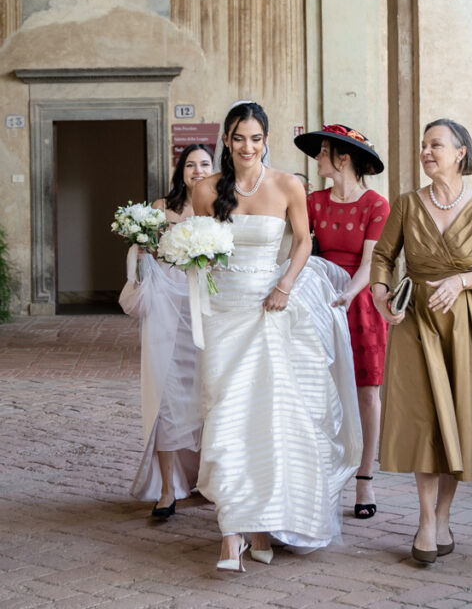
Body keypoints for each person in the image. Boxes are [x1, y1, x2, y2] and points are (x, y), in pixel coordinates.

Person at [192, 101, 362, 572]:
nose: (247, 147)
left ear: (266, 140)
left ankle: (259, 525)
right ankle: (232, 531)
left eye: (256, 138)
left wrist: (285, 285)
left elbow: (304, 241)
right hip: (225, 312)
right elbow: (201, 248)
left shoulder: (289, 184)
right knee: (225, 415)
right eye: (239, 137)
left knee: (266, 418)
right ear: (226, 139)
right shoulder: (205, 189)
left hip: (270, 309)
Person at [369, 119, 472, 564]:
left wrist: (462, 281)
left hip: (468, 325)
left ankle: (443, 516)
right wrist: (381, 296)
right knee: (423, 422)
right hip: (417, 320)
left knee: (454, 419)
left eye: (435, 144)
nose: (426, 152)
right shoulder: (406, 204)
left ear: (460, 152)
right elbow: (383, 256)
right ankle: (423, 520)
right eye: (423, 145)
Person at [294, 124, 390, 519]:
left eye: (322, 152)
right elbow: (299, 248)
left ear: (343, 158)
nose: (316, 159)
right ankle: (325, 474)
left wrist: (348, 295)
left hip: (360, 303)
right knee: (319, 388)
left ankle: (364, 478)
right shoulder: (312, 201)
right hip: (319, 301)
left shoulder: (376, 205)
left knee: (367, 393)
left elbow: (371, 262)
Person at [119, 143, 214, 519]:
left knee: (208, 394)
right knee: (167, 395)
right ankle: (166, 488)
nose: (197, 170)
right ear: (181, 171)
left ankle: (210, 479)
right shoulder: (161, 209)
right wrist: (142, 251)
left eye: (205, 164)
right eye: (190, 164)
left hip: (205, 307)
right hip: (166, 307)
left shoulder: (222, 208)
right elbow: (146, 253)